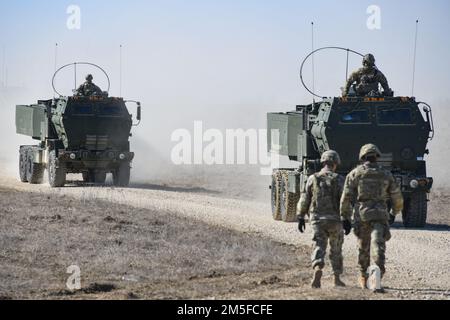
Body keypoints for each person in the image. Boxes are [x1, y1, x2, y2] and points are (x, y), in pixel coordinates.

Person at [340, 144, 403, 291]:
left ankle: (364, 277)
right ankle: (376, 279)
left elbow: (346, 197)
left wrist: (345, 218)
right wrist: (394, 212)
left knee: (363, 248)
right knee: (378, 247)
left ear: (362, 157)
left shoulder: (355, 174)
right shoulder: (386, 174)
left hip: (362, 216)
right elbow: (397, 197)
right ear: (377, 157)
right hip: (380, 215)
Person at [297, 150, 351, 289]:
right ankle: (336, 278)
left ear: (323, 162)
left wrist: (300, 216)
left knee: (319, 245)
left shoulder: (312, 178)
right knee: (336, 249)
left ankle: (317, 269)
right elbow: (345, 201)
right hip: (335, 220)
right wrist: (346, 219)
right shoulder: (340, 179)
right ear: (336, 163)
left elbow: (305, 198)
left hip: (317, 219)